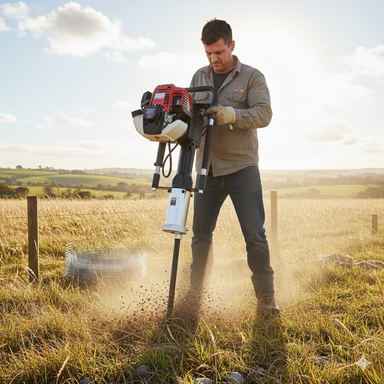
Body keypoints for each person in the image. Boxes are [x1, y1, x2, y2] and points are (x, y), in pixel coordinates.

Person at [189, 18, 280, 315]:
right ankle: (195, 295)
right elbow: (190, 118)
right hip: (207, 170)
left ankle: (266, 298)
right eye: (209, 54)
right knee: (200, 236)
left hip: (242, 169)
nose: (214, 59)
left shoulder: (252, 76)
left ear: (232, 46)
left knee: (254, 234)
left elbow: (264, 114)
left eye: (219, 52)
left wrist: (232, 115)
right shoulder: (198, 77)